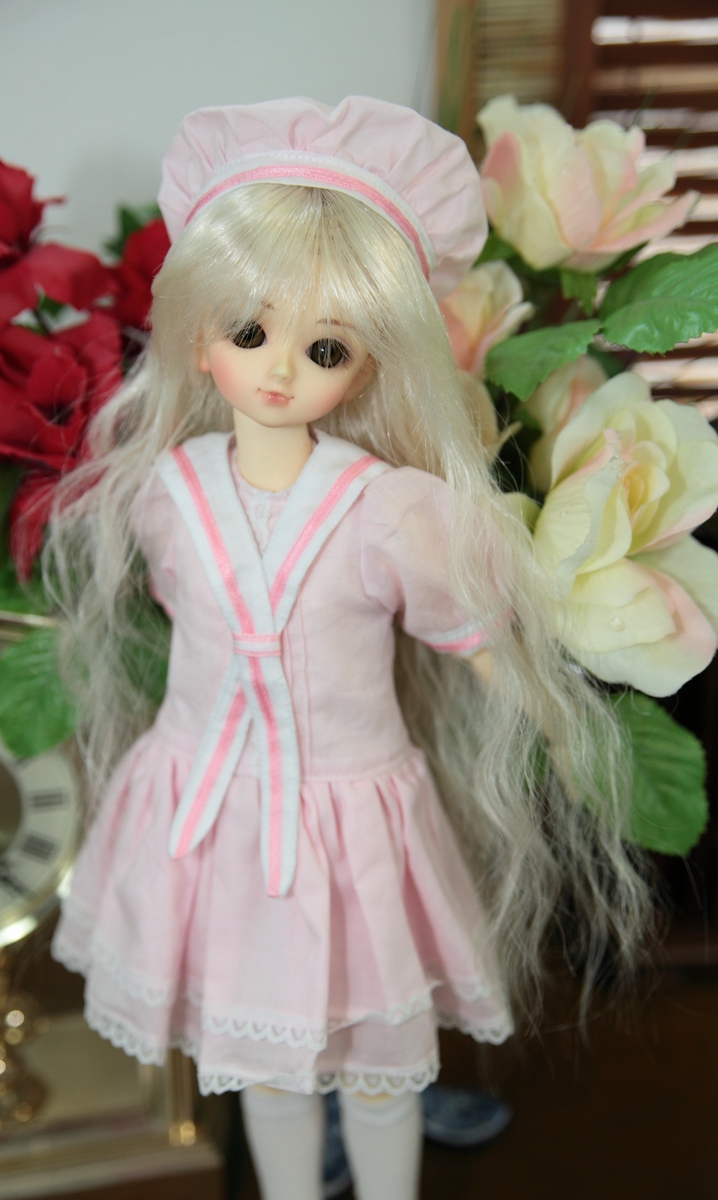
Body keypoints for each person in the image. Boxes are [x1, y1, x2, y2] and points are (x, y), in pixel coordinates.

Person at [47, 97, 651, 1200]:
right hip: (209, 820)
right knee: (264, 1074)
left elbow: (467, 638)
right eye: (249, 332)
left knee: (375, 1073)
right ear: (200, 338)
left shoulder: (387, 512)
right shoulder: (163, 494)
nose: (279, 370)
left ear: (367, 366)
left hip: (351, 823)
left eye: (324, 347)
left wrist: (543, 712)